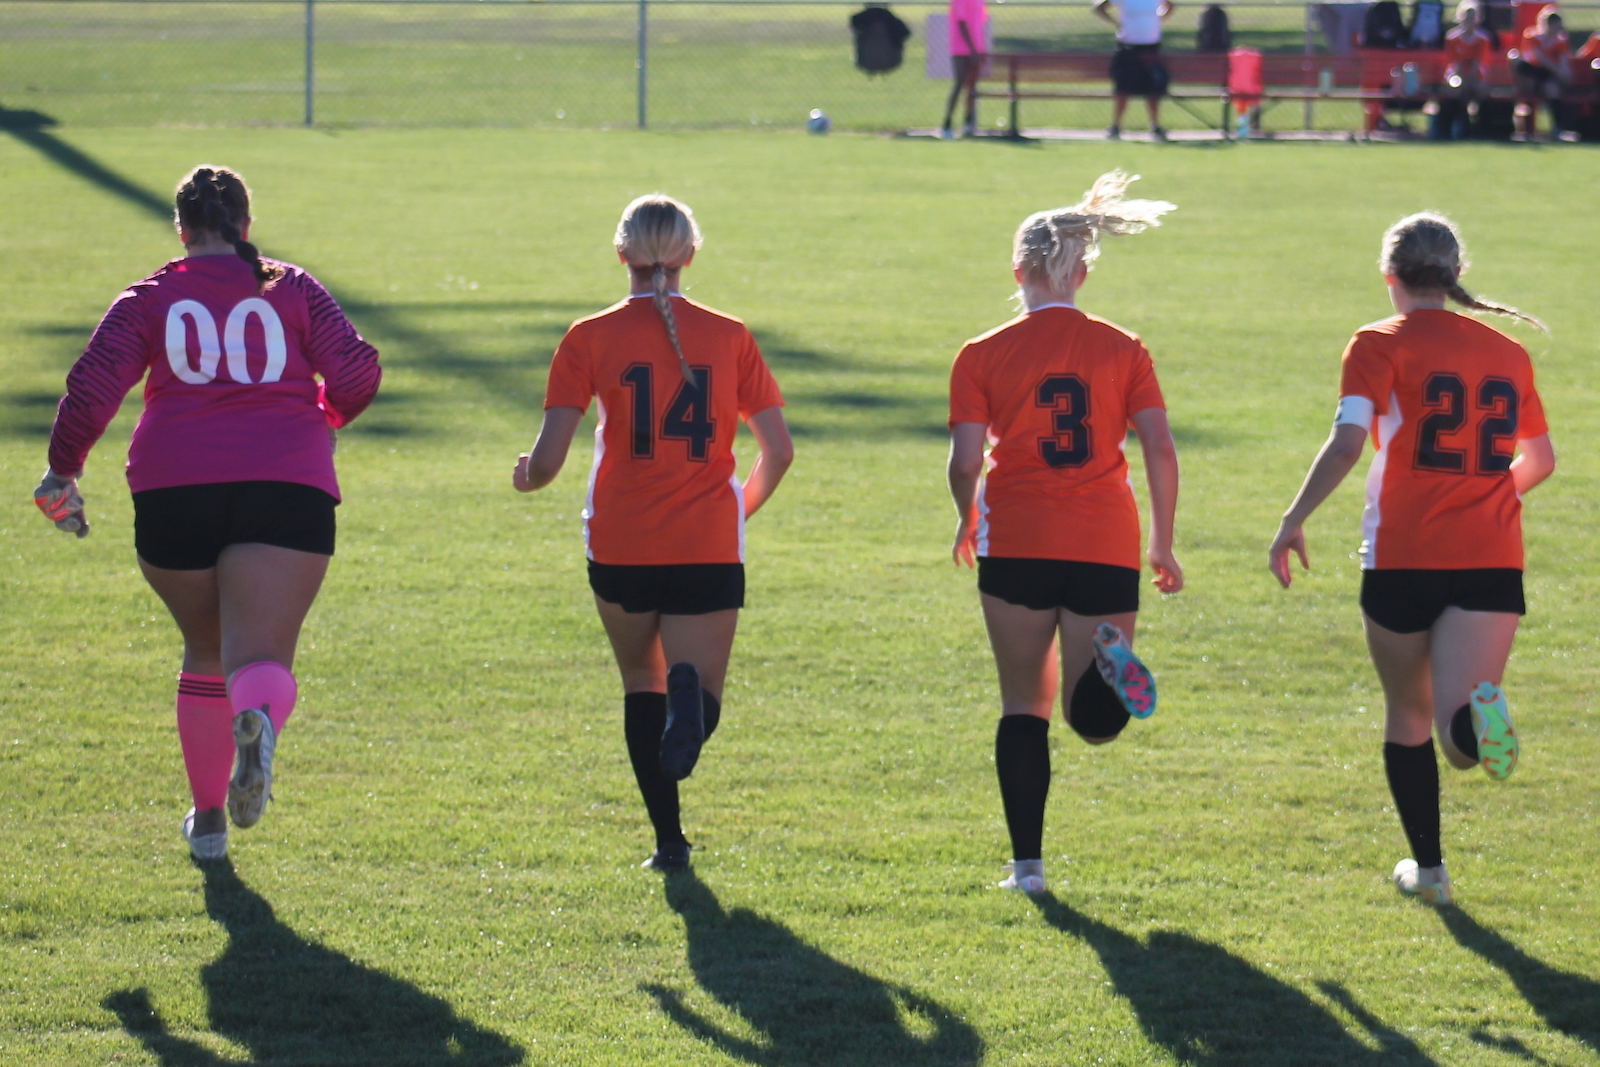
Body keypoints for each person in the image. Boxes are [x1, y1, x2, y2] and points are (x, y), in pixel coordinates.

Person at [34, 165, 381, 861]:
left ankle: (211, 823)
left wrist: (62, 472)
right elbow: (356, 372)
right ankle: (257, 721)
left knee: (205, 649)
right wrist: (326, 414)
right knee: (259, 659)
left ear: (181, 229)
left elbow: (93, 387)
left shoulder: (150, 296)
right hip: (285, 480)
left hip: (174, 487)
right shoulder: (292, 286)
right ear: (246, 225)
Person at [1268, 212, 1555, 907]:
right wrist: (1487, 497)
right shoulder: (1507, 352)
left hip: (1403, 552)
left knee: (1408, 714)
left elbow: (1347, 443)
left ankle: (1430, 874)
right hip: (1490, 554)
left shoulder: (1376, 342)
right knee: (1460, 735)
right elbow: (1541, 460)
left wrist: (1292, 520)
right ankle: (1481, 717)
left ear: (1389, 275)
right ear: (1456, 273)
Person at [513, 194, 793, 872]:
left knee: (643, 681)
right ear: (690, 254)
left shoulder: (588, 336)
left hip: (621, 541)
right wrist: (736, 513)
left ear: (622, 253)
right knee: (697, 701)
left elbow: (547, 462)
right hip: (707, 543)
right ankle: (691, 705)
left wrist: (526, 476)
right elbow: (778, 451)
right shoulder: (729, 335)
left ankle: (669, 842)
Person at [948, 171, 1182, 896]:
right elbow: (1160, 448)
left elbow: (964, 461)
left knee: (1024, 704)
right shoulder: (1124, 347)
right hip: (1103, 539)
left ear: (1016, 271)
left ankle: (1027, 869)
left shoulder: (980, 352)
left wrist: (965, 516)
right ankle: (1108, 667)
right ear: (1081, 273)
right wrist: (1163, 541)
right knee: (1095, 724)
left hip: (1016, 536)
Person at [1095, 0, 1175, 139]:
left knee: (1153, 88)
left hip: (1151, 47)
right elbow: (1100, 7)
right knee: (1123, 88)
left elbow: (1170, 6)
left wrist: (1158, 19)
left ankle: (1155, 125)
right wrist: (1117, 23)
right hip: (1128, 47)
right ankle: (1116, 126)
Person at [1437, 0, 1495, 138]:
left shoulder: (1483, 39)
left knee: (1480, 89)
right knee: (1455, 88)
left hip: (1475, 74)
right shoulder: (1452, 38)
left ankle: (1481, 129)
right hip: (1457, 74)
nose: (1470, 21)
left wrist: (1470, 79)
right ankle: (1453, 128)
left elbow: (1479, 62)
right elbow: (1454, 63)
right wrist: (1462, 79)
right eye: (1467, 17)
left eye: (1473, 17)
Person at [1514, 6, 1572, 137]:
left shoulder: (1560, 42)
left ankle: (1558, 128)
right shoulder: (1531, 36)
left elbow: (1563, 61)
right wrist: (1559, 71)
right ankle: (1525, 127)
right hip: (1532, 73)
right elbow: (1539, 59)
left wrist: (1565, 73)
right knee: (1521, 67)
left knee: (1552, 89)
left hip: (1547, 75)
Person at [940, 0, 990, 137]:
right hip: (960, 49)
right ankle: (947, 122)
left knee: (972, 87)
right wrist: (972, 49)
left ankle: (968, 122)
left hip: (977, 49)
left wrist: (979, 49)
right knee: (959, 83)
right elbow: (961, 24)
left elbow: (981, 23)